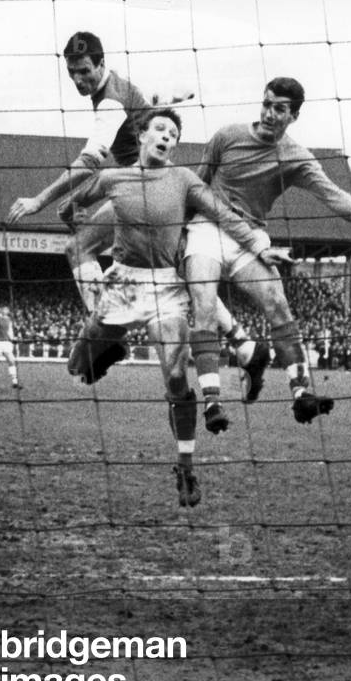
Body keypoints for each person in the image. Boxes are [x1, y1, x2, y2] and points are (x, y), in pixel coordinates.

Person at [65, 108, 287, 506]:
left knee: (175, 378)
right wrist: (64, 209)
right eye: (160, 129)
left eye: (173, 133)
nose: (167, 137)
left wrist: (259, 245)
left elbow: (223, 212)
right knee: (77, 366)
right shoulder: (117, 179)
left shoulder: (183, 179)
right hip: (122, 286)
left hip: (166, 290)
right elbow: (76, 200)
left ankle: (186, 467)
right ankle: (112, 349)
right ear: (142, 135)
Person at [6, 30, 261, 374]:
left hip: (142, 187)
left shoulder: (109, 103)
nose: (79, 80)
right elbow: (145, 108)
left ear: (101, 64)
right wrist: (171, 97)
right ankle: (243, 344)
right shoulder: (121, 86)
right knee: (178, 269)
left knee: (78, 248)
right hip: (151, 185)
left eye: (85, 71)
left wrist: (39, 199)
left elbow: (91, 159)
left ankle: (108, 333)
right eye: (72, 73)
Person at [185, 77, 351, 427]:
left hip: (252, 236)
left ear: (293, 115)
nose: (269, 114)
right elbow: (195, 185)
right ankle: (212, 403)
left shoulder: (296, 156)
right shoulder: (226, 136)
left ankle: (301, 394)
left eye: (279, 108)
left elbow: (332, 194)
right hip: (207, 229)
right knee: (203, 303)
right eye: (266, 104)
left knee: (277, 303)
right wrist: (178, 233)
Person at [0, 305, 22, 389]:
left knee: (11, 360)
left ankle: (15, 382)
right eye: (5, 309)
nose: (6, 310)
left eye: (7, 309)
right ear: (0, 309)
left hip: (6, 342)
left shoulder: (9, 320)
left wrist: (12, 338)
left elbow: (10, 331)